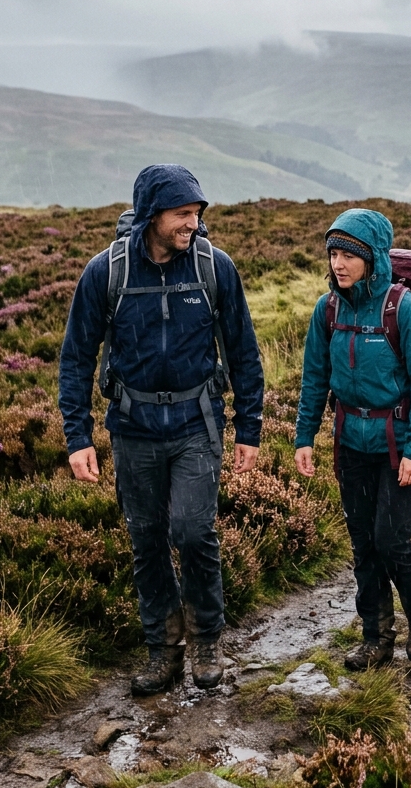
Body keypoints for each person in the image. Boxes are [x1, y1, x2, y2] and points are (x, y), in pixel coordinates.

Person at [59, 164, 264, 696]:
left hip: (198, 423)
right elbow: (76, 359)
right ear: (152, 214)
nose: (192, 224)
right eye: (181, 215)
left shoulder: (215, 268)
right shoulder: (107, 272)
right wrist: (78, 437)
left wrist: (250, 428)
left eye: (197, 214)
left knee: (193, 532)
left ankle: (206, 641)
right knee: (147, 540)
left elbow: (243, 350)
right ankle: (161, 651)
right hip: (133, 427)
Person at [294, 209, 411, 670]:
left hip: (400, 447)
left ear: (372, 258)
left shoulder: (404, 309)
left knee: (390, 538)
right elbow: (314, 379)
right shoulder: (328, 310)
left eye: (348, 256)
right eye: (333, 254)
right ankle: (375, 635)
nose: (338, 263)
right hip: (350, 445)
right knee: (362, 543)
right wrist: (304, 437)